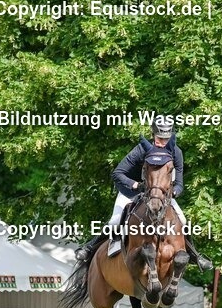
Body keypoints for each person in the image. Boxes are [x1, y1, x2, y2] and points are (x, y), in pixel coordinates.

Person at [75, 116, 212, 270]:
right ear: (153, 134)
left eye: (166, 139)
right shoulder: (141, 150)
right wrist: (135, 185)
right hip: (131, 192)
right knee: (115, 222)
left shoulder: (176, 152)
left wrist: (174, 192)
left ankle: (195, 255)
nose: (163, 142)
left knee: (183, 220)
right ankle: (89, 248)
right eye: (159, 138)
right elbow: (118, 173)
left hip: (160, 195)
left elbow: (179, 182)